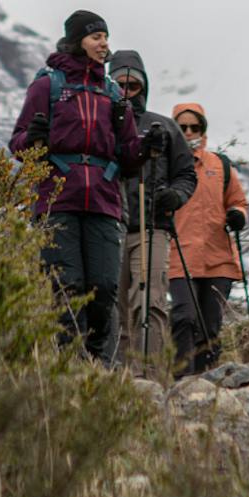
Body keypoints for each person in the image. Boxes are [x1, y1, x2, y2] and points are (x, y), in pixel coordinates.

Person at [8, 10, 144, 359]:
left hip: (103, 200)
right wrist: (34, 140)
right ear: (78, 41)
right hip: (57, 200)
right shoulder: (47, 86)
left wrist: (145, 150)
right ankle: (71, 367)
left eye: (105, 37)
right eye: (96, 36)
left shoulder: (114, 94)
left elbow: (128, 157)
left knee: (104, 287)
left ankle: (99, 367)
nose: (104, 43)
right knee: (67, 286)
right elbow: (18, 144)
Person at [107, 48, 194, 372]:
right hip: (110, 226)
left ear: (144, 86)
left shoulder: (164, 126)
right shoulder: (101, 124)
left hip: (151, 226)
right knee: (116, 306)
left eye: (134, 86)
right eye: (120, 85)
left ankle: (152, 377)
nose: (128, 93)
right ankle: (122, 379)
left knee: (149, 300)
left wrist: (175, 195)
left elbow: (187, 174)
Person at [167, 103, 248, 375]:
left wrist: (237, 215)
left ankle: (206, 382)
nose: (189, 132)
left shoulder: (220, 165)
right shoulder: (165, 165)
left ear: (203, 129)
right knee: (184, 317)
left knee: (210, 325)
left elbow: (237, 202)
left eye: (195, 127)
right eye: (182, 127)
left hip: (218, 258)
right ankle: (182, 381)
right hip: (179, 255)